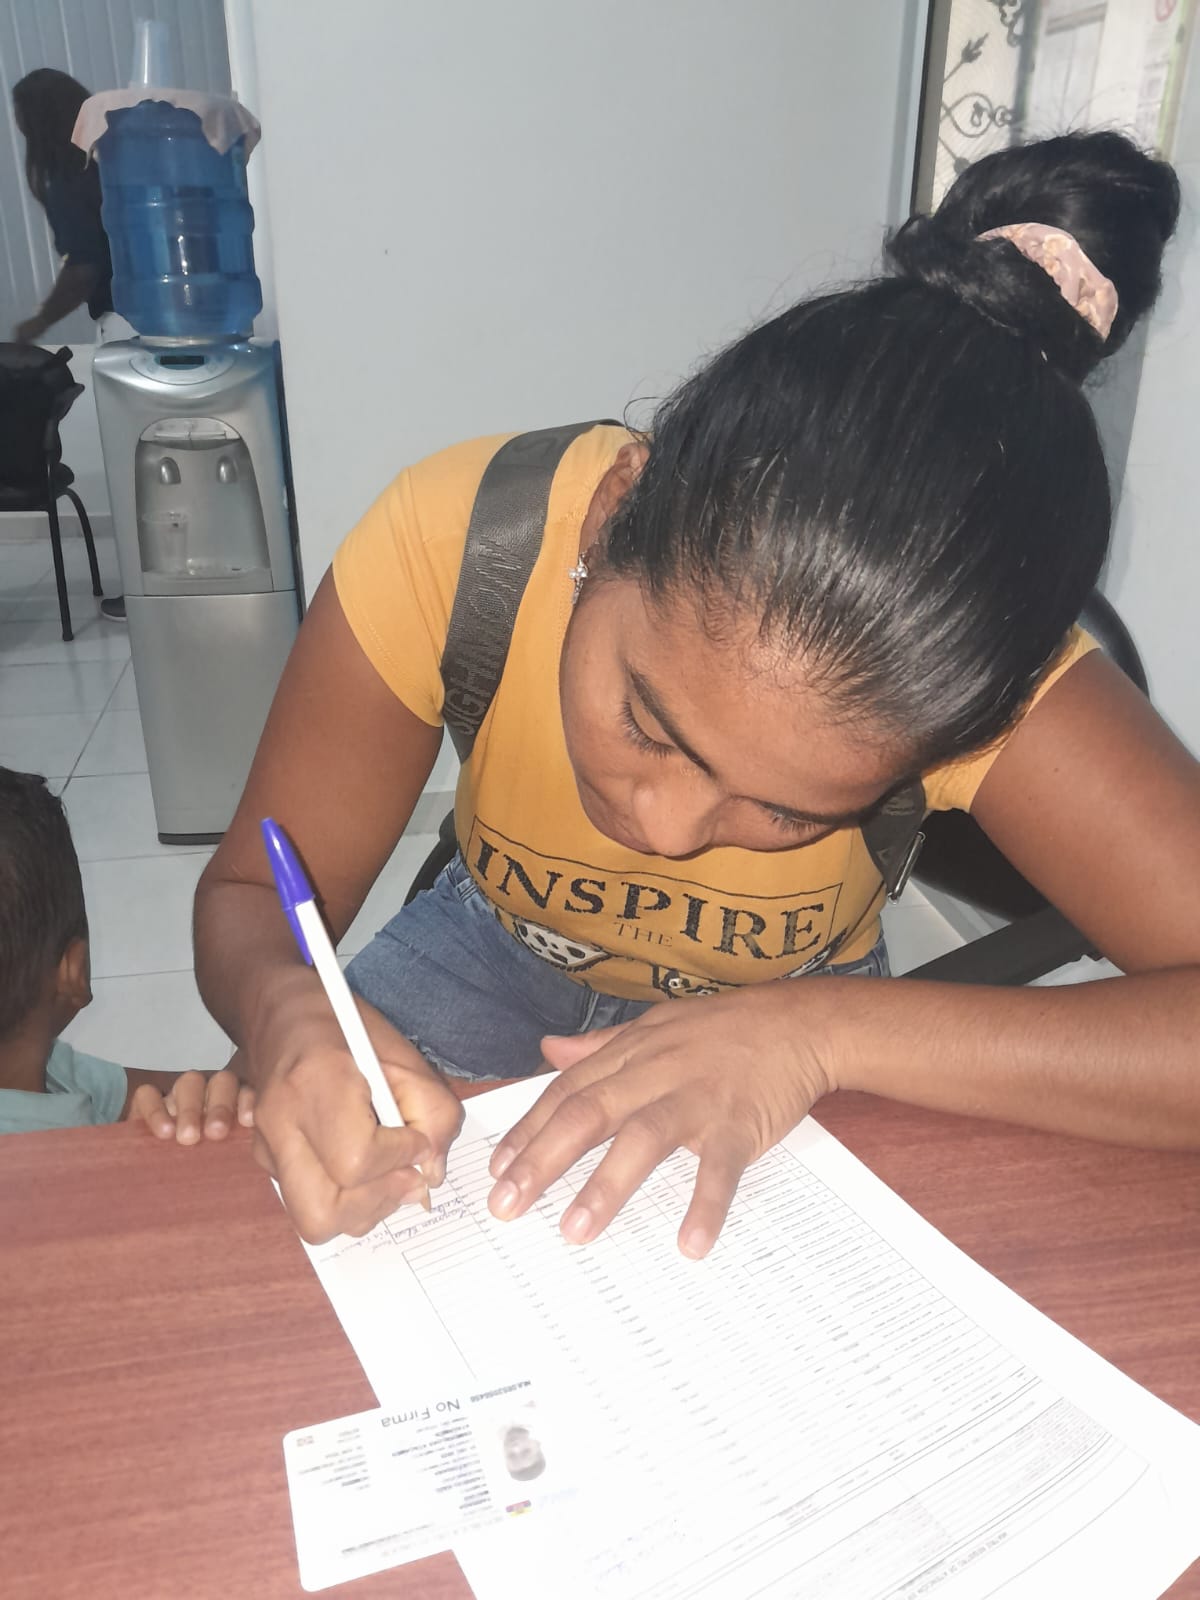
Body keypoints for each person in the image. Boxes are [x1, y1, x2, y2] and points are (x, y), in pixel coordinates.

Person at [194, 131, 1200, 1259]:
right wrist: (284, 1008)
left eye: (791, 810)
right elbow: (249, 891)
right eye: (648, 722)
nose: (667, 833)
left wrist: (822, 1033)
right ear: (612, 511)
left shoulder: (972, 676)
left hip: (797, 998)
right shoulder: (462, 540)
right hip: (490, 948)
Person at [0, 767, 252, 1139]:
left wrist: (217, 1096)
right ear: (73, 973)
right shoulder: (49, 1155)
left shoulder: (47, 1067)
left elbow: (170, 1091)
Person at [11, 67, 126, 623]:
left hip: (125, 323)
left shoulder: (70, 175)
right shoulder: (113, 160)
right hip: (163, 313)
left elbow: (84, 267)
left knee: (133, 464)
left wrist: (36, 323)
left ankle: (149, 594)